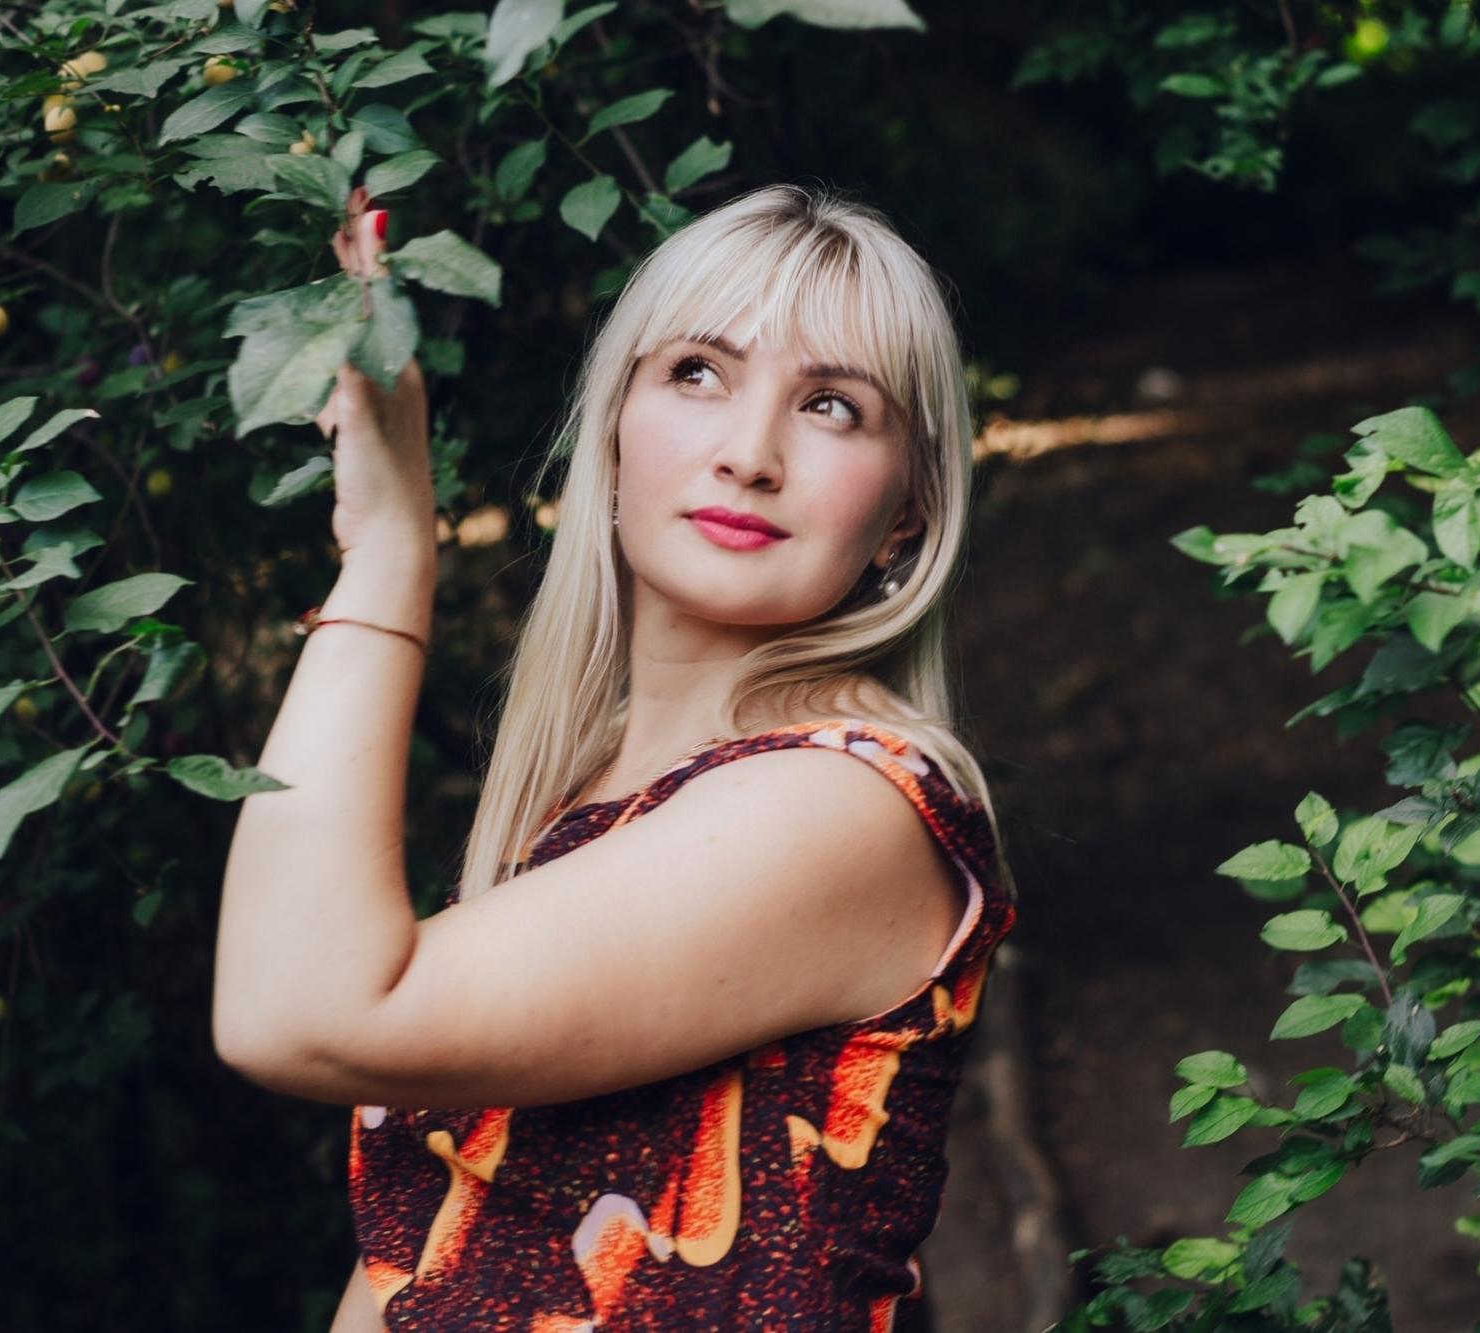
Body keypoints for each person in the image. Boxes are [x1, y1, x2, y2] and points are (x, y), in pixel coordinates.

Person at [212, 181, 1018, 1331]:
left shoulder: (843, 802)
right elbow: (427, 1254)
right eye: (697, 373)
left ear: (905, 515)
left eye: (832, 406)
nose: (748, 453)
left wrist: (388, 550)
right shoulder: (604, 795)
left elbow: (297, 1011)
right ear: (612, 432)